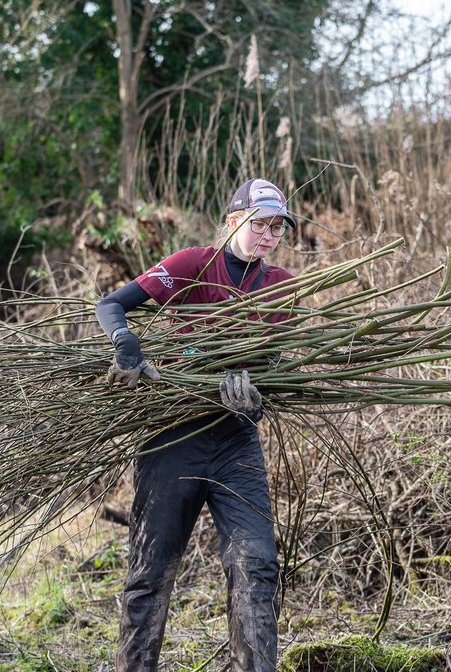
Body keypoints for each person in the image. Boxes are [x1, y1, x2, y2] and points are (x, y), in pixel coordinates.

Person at [95, 177, 297, 672]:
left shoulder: (283, 289)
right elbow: (111, 304)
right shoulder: (192, 265)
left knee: (257, 566)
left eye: (277, 227)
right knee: (151, 572)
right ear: (233, 223)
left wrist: (254, 404)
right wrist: (125, 344)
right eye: (260, 224)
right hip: (172, 434)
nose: (269, 235)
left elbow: (271, 374)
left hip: (235, 441)